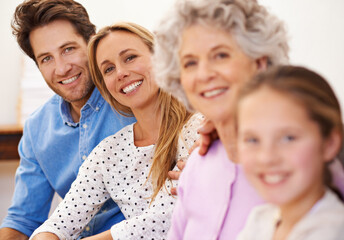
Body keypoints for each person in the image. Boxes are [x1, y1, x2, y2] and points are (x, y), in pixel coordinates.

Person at [30, 21, 202, 240]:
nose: (120, 73)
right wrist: (46, 236)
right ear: (105, 86)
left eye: (130, 57)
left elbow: (163, 220)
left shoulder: (199, 129)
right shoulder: (109, 152)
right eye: (108, 69)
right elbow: (61, 222)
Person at [0, 1, 136, 239]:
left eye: (68, 49)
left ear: (92, 43)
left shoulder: (134, 99)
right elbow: (23, 219)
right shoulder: (37, 128)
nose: (62, 68)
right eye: (46, 59)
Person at [154, 0, 288, 239]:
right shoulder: (196, 164)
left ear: (259, 63)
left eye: (221, 55)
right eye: (190, 63)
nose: (204, 74)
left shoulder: (299, 160)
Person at [236, 65, 344, 240]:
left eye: (288, 138)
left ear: (329, 144)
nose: (266, 157)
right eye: (252, 140)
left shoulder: (337, 232)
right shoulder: (260, 219)